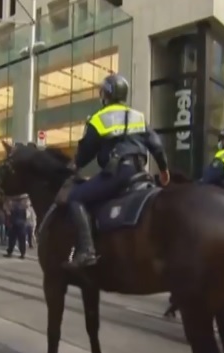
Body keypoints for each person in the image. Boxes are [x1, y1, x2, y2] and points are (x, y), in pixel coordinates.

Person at [64, 74, 170, 270]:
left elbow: (86, 151)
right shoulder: (138, 117)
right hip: (140, 171)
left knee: (75, 198)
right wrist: (163, 169)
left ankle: (86, 251)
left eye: (102, 92)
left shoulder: (99, 118)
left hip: (118, 173)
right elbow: (156, 144)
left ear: (107, 94)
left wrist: (74, 165)